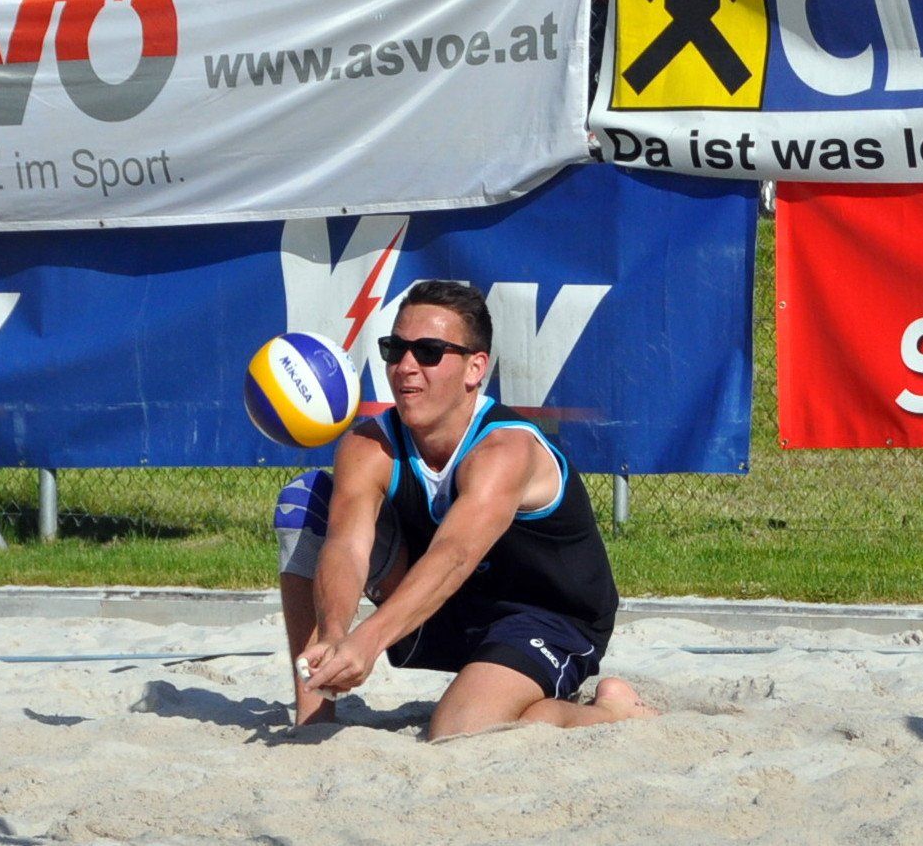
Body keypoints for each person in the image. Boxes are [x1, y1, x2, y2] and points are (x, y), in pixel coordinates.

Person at [275, 280, 656, 740]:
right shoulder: (367, 444)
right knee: (305, 501)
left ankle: (613, 711)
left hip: (543, 619)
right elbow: (348, 546)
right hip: (441, 607)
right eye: (395, 349)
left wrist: (368, 641)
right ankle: (315, 716)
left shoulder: (506, 449)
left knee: (458, 731)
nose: (405, 366)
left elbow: (453, 555)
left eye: (428, 352)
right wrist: (337, 635)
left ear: (475, 368)